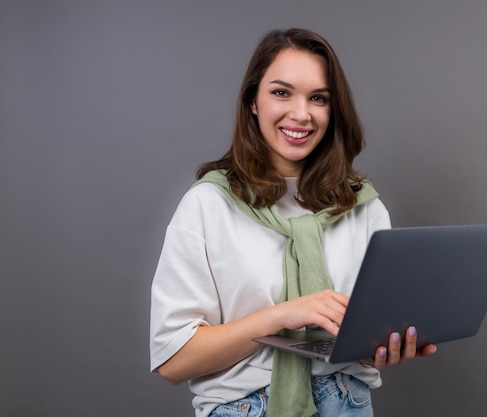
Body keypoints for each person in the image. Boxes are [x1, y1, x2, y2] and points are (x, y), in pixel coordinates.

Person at [150, 28, 437, 417]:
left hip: (348, 402)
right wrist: (281, 316)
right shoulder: (208, 205)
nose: (301, 114)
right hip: (246, 408)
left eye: (318, 98)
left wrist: (383, 351)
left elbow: (364, 339)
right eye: (281, 92)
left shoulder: (362, 206)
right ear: (253, 101)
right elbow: (174, 361)